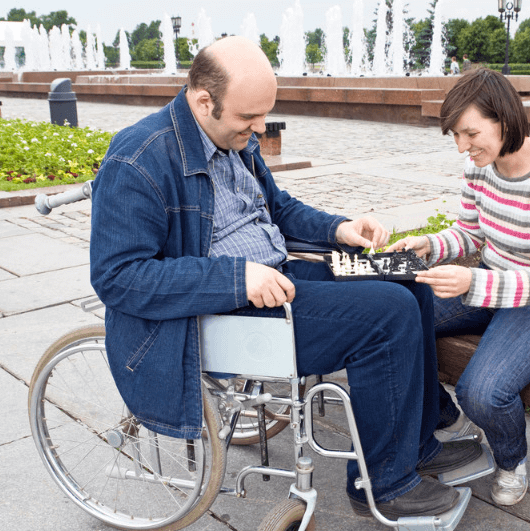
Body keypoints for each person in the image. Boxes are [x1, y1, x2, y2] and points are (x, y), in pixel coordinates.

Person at [89, 36, 485, 520]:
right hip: (224, 305)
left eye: (264, 115)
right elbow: (119, 277)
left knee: (407, 276)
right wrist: (236, 277)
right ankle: (383, 483)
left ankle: (417, 443)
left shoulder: (230, 138)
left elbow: (276, 208)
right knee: (387, 315)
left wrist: (338, 227)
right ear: (202, 101)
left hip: (278, 275)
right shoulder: (138, 158)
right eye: (248, 118)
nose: (260, 128)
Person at [388, 68, 530, 506]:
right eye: (456, 136)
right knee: (394, 314)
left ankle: (512, 461)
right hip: (491, 285)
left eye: (471, 133)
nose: (463, 147)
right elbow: (469, 234)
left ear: (504, 119)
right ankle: (447, 420)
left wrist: (474, 280)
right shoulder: (479, 167)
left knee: (483, 392)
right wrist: (429, 245)